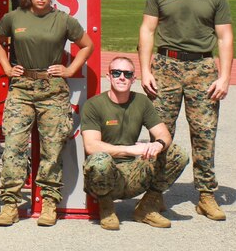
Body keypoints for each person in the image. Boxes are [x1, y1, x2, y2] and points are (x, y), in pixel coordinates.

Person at [138, 0, 233, 221]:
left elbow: (225, 37)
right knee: (161, 132)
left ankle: (206, 194)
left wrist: (225, 77)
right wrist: (145, 69)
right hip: (166, 65)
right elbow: (147, 30)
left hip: (202, 67)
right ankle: (154, 193)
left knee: (205, 133)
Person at [0, 0, 94, 226]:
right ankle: (10, 203)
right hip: (22, 87)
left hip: (52, 90)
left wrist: (70, 69)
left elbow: (87, 44)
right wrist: (5, 66)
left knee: (52, 148)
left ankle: (49, 201)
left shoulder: (62, 19)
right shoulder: (14, 18)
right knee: (13, 146)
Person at [80, 56, 189, 231]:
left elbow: (163, 134)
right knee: (100, 160)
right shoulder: (94, 105)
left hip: (134, 173)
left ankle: (147, 206)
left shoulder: (141, 102)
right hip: (107, 176)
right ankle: (106, 207)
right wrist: (133, 150)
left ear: (133, 78)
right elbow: (91, 146)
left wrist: (158, 144)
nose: (121, 77)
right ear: (108, 77)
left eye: (127, 74)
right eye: (116, 73)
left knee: (177, 153)